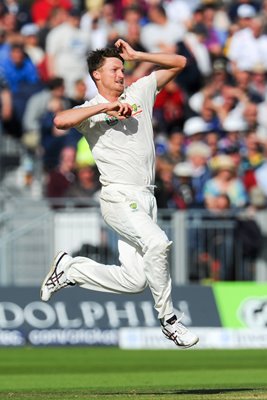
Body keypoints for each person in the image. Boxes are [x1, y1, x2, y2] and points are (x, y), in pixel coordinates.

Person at [40, 38, 199, 348]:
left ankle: (71, 269)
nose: (120, 74)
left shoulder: (139, 92)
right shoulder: (90, 110)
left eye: (122, 69)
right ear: (96, 75)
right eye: (114, 69)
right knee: (157, 243)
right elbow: (60, 121)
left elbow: (179, 62)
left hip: (146, 197)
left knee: (136, 280)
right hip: (118, 196)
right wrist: (105, 106)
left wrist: (139, 55)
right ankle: (169, 320)